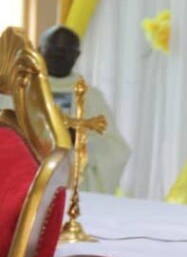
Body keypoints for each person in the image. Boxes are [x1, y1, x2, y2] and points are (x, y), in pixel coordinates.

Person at [42, 25, 131, 194]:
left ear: (77, 56)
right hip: (29, 180)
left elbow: (116, 149)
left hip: (77, 187)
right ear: (40, 49)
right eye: (56, 49)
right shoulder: (20, 90)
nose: (61, 55)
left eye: (68, 51)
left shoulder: (92, 97)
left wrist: (80, 143)